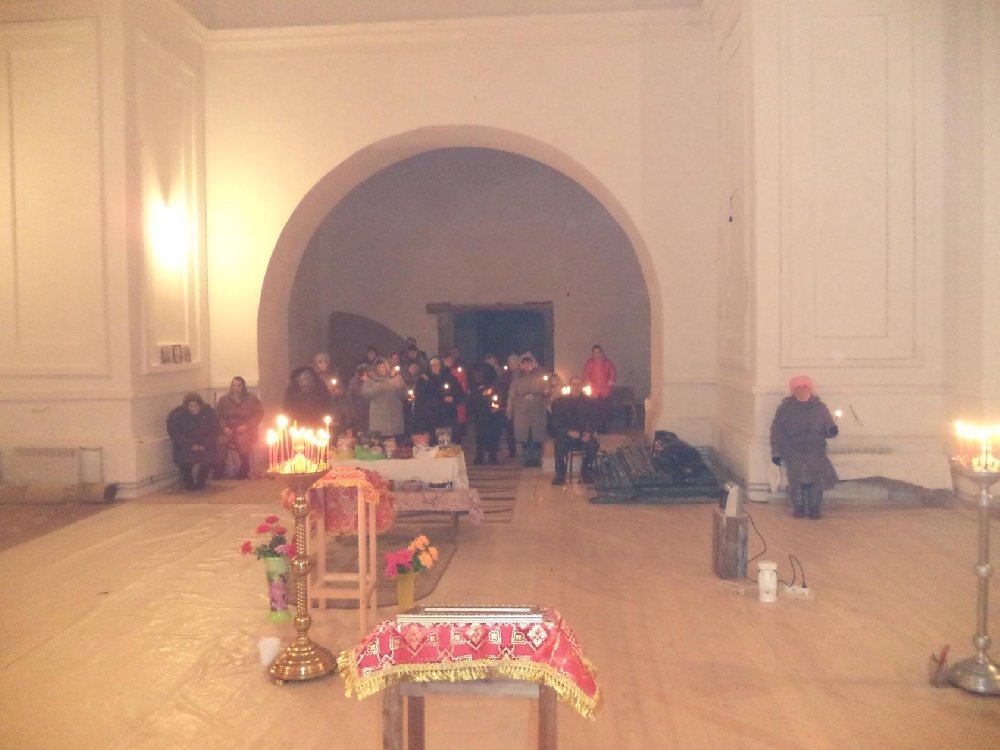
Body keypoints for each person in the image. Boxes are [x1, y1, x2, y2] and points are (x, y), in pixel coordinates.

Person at [769, 375, 839, 519]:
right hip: (793, 451)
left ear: (810, 389)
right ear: (793, 390)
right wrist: (776, 453)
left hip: (815, 451)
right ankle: (798, 507)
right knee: (796, 480)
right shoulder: (785, 409)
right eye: (798, 388)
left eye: (805, 387)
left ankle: (815, 507)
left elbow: (827, 428)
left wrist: (832, 430)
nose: (801, 390)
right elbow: (777, 432)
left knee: (816, 480)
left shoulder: (820, 408)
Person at [166, 392, 222, 490]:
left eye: (196, 406)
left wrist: (205, 444)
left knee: (209, 458)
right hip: (185, 445)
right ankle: (188, 481)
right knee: (185, 461)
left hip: (205, 443)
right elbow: (175, 434)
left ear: (200, 405)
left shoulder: (208, 411)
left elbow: (215, 429)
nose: (193, 409)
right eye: (191, 406)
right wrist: (190, 445)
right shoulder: (177, 415)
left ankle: (201, 479)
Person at [550, 376, 600, 485]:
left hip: (583, 434)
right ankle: (560, 474)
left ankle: (586, 472)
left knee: (593, 445)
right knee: (559, 444)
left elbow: (594, 420)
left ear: (582, 386)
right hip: (567, 434)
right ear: (570, 386)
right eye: (574, 384)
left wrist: (588, 432)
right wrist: (568, 432)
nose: (576, 387)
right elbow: (556, 422)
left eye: (578, 385)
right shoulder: (560, 402)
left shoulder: (590, 402)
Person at [215, 376, 264, 479]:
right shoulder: (224, 400)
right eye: (234, 386)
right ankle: (219, 467)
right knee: (219, 442)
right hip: (228, 428)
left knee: (243, 441)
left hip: (245, 428)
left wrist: (247, 426)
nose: (236, 388)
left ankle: (245, 467)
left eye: (238, 386)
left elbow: (258, 415)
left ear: (243, 387)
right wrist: (224, 428)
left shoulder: (252, 399)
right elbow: (217, 416)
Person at [506, 355, 549, 466]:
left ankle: (536, 459)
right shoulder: (516, 378)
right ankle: (527, 459)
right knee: (525, 436)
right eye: (525, 364)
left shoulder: (540, 376)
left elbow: (547, 390)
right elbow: (512, 395)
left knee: (537, 436)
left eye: (529, 364)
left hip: (537, 409)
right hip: (522, 410)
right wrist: (509, 410)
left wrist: (546, 392)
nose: (527, 366)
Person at [466, 360, 503, 464]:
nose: (477, 376)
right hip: (479, 413)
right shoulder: (473, 387)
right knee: (479, 436)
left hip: (492, 414)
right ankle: (480, 456)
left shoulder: (492, 386)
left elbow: (497, 398)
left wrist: (496, 406)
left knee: (493, 435)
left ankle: (492, 456)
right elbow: (471, 399)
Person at [361, 357, 406, 438]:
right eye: (378, 367)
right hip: (378, 417)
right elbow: (365, 393)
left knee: (395, 441)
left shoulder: (396, 378)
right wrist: (380, 387)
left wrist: (400, 387)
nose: (381, 369)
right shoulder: (371, 380)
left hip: (394, 416)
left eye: (383, 366)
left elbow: (404, 394)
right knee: (379, 441)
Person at [582, 344, 617, 433]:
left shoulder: (607, 362)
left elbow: (613, 372)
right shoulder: (590, 362)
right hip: (594, 391)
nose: (596, 354)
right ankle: (594, 428)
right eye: (594, 352)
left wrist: (611, 380)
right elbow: (586, 373)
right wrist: (588, 382)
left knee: (605, 410)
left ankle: (604, 428)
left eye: (598, 352)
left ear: (602, 352)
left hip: (605, 390)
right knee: (594, 410)